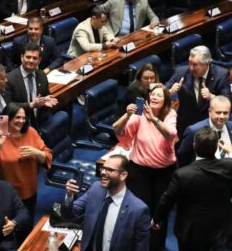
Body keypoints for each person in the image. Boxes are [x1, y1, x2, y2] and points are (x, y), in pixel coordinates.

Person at [113, 83, 177, 250]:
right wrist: (127, 116)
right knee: (140, 210)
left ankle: (157, 247)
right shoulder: (139, 115)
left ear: (166, 100)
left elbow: (171, 134)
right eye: (153, 94)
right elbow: (118, 130)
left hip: (164, 171)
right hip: (140, 171)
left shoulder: (170, 114)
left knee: (159, 213)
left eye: (159, 95)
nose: (154, 97)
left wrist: (153, 119)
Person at [152, 126, 232, 251]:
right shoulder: (228, 167)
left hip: (190, 232)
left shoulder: (183, 174)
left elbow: (167, 199)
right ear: (217, 147)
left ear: (194, 146)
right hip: (219, 228)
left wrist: (157, 219)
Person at [0, 103, 52, 241]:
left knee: (25, 231)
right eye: (17, 117)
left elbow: (47, 155)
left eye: (24, 118)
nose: (21, 121)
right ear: (7, 118)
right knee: (4, 234)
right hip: (5, 195)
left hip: (28, 193)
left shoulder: (31, 132)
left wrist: (37, 152)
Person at [63, 155, 150, 251]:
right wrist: (69, 195)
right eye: (103, 168)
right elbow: (69, 216)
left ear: (123, 175)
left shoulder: (138, 209)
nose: (103, 172)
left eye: (110, 170)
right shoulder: (96, 189)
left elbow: (141, 248)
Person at [166, 45, 230, 138]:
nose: (191, 68)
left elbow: (228, 101)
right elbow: (161, 91)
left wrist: (212, 97)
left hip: (210, 125)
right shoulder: (181, 72)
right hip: (186, 125)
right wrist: (170, 91)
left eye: (195, 64)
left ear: (207, 63)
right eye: (189, 63)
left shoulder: (221, 75)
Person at [6, 42, 58, 129]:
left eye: (34, 58)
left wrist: (45, 103)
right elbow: (8, 107)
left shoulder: (41, 75)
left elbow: (45, 98)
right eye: (28, 57)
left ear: (39, 60)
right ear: (22, 57)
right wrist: (31, 105)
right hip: (19, 126)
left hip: (40, 123)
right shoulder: (10, 79)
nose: (31, 60)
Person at [177, 96, 232, 167]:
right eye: (218, 112)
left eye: (225, 113)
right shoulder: (194, 130)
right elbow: (182, 156)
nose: (222, 116)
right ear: (209, 112)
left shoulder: (231, 127)